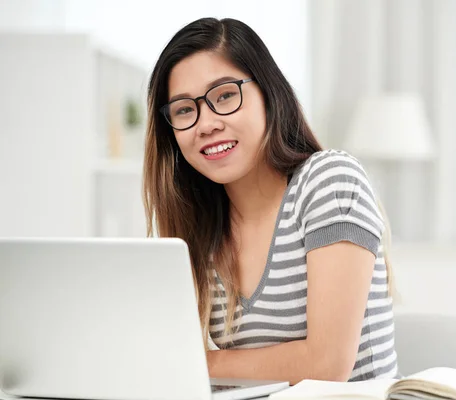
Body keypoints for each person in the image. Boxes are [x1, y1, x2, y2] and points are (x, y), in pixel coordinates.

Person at [142, 17, 397, 384]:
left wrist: (198, 362)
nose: (206, 123)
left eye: (225, 95)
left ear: (269, 94)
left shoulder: (329, 180)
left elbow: (326, 366)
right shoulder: (198, 228)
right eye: (184, 109)